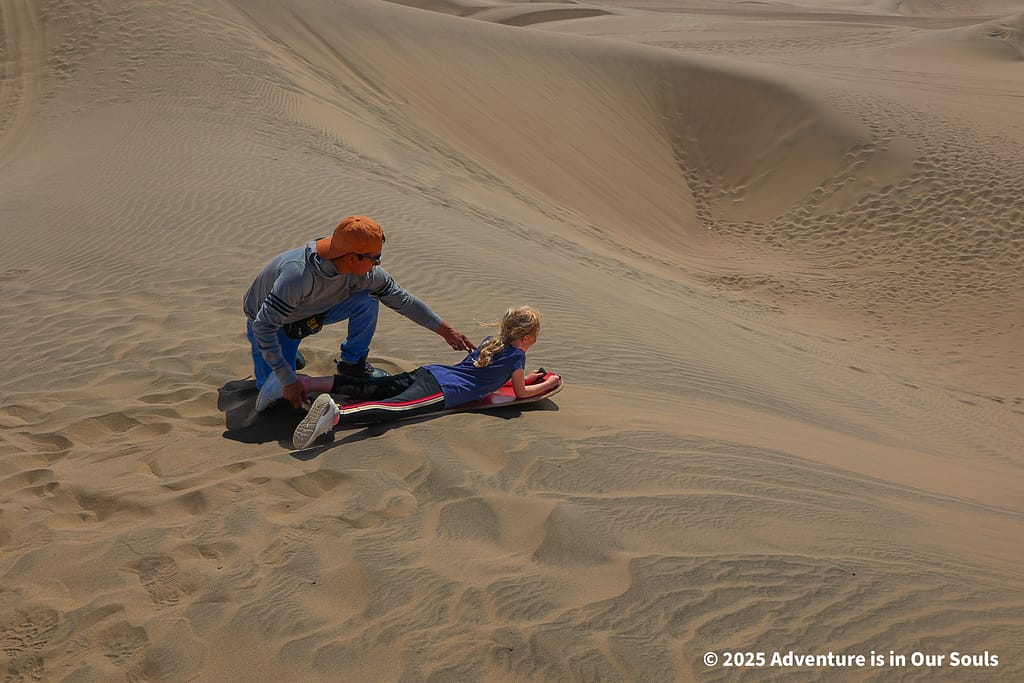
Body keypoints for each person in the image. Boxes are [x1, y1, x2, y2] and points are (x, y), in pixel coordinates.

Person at [244, 216, 475, 411]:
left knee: (367, 299)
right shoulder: (299, 275)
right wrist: (287, 379)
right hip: (275, 324)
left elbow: (403, 301)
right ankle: (287, 357)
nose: (378, 263)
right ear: (353, 258)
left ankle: (352, 364)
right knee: (275, 396)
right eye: (375, 258)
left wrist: (447, 331)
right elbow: (263, 327)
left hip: (312, 311)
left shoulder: (366, 273)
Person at [289, 305, 561, 449]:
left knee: (374, 386)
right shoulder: (517, 357)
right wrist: (548, 383)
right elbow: (520, 393)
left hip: (431, 372)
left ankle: (309, 383)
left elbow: (497, 379)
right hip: (444, 392)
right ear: (527, 338)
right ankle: (336, 415)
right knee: (396, 407)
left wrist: (528, 377)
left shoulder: (492, 342)